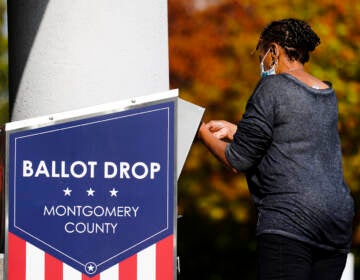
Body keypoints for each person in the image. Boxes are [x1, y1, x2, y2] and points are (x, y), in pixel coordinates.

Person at [197, 18, 354, 280]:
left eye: (262, 55)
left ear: (274, 50)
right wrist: (238, 131)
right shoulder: (327, 93)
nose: (263, 63)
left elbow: (238, 159)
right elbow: (295, 139)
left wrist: (200, 131)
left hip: (290, 220)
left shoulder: (272, 88)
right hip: (336, 223)